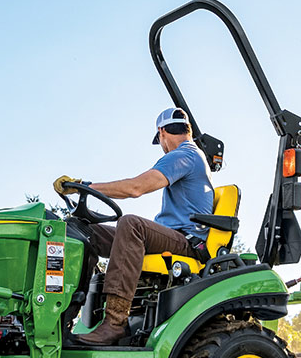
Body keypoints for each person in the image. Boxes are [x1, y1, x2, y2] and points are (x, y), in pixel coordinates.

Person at [54, 107, 214, 345]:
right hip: (171, 236)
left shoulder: (185, 154)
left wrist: (84, 187)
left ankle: (114, 322)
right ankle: (65, 314)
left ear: (162, 132)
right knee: (85, 230)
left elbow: (135, 188)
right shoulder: (192, 157)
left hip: (187, 241)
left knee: (131, 225)